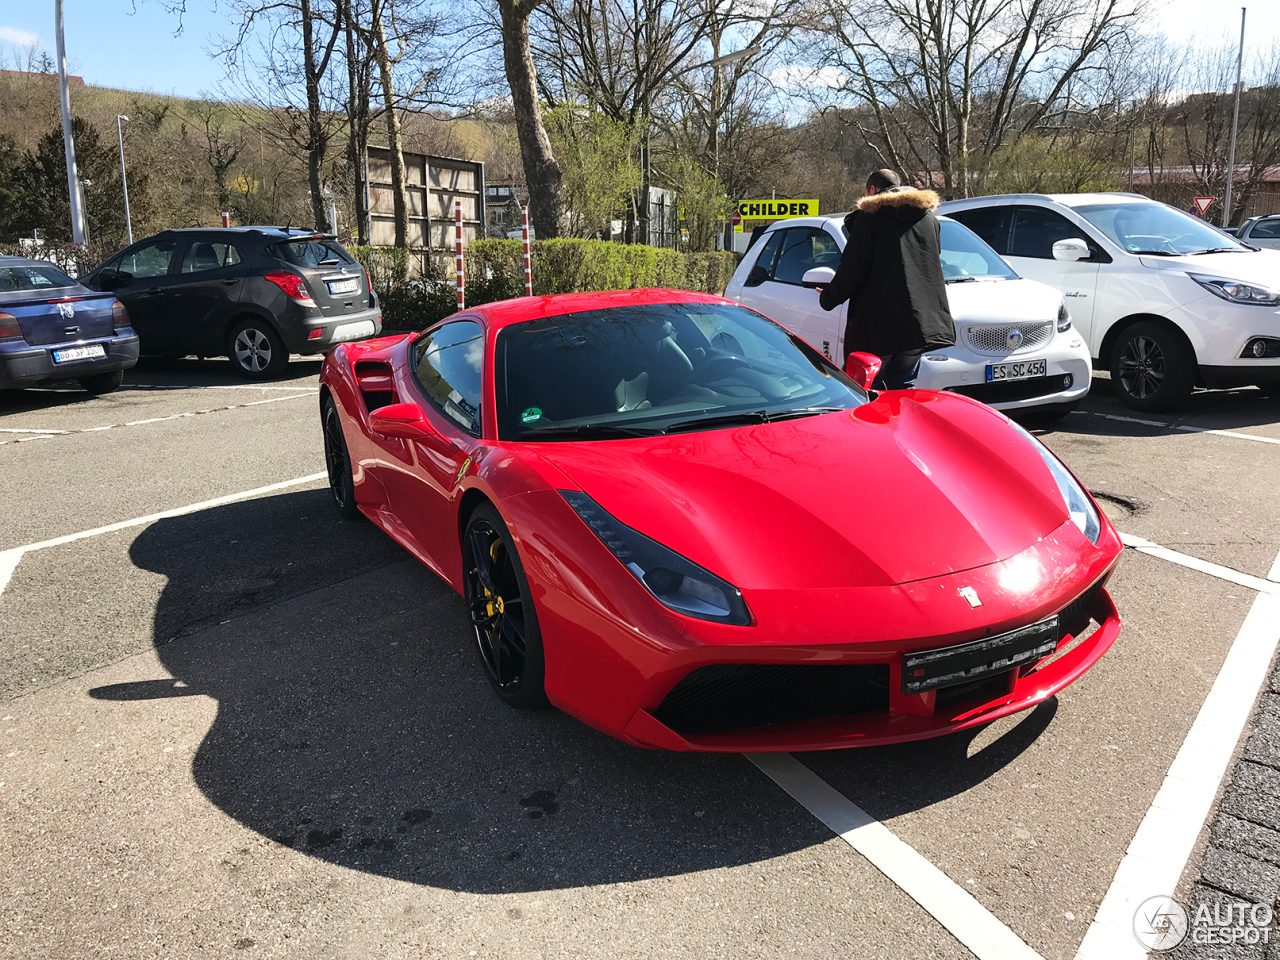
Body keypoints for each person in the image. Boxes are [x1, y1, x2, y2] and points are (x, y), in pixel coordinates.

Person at [818, 169, 956, 389]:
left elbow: (852, 270)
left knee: (870, 394)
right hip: (918, 326)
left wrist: (828, 298)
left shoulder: (869, 219)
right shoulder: (928, 219)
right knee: (903, 389)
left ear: (872, 190)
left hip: (878, 328)